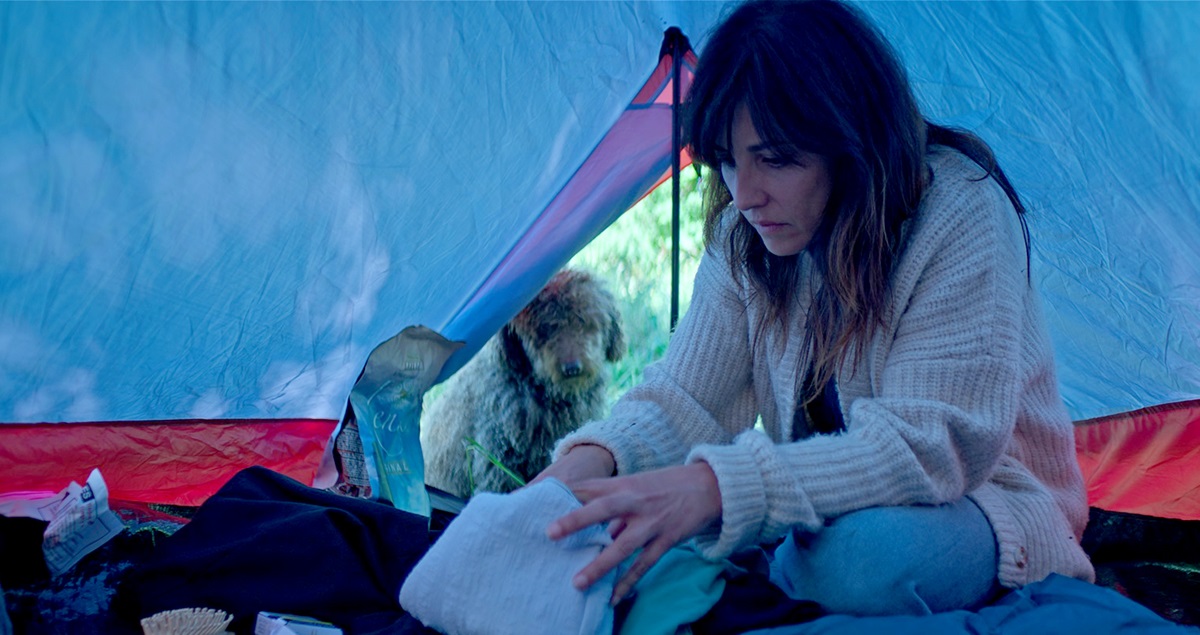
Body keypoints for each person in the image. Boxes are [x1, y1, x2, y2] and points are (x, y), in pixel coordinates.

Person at [534, 0, 1095, 618]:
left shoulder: (960, 214)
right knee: (626, 535)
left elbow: (931, 446)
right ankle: (784, 555)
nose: (744, 194)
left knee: (859, 560)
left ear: (849, 139)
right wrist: (581, 475)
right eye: (725, 157)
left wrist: (719, 488)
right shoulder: (746, 236)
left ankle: (786, 558)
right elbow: (686, 400)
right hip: (819, 507)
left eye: (775, 158)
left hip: (984, 504)